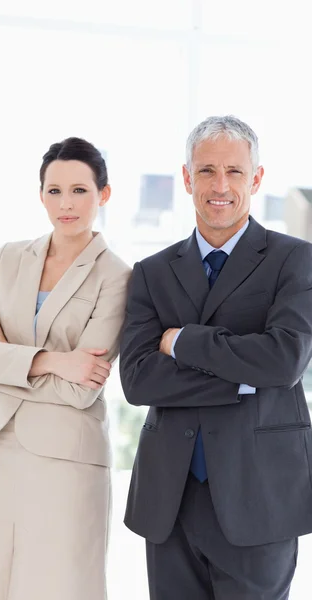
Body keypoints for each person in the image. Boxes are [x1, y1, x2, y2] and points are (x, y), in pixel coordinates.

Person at [119, 115, 312, 599]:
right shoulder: (152, 272)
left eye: (234, 172)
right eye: (206, 171)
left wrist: (182, 342)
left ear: (257, 178)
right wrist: (241, 379)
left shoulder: (295, 259)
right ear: (187, 178)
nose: (219, 185)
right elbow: (139, 380)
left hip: (260, 494)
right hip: (171, 500)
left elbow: (284, 361)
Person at [0, 137, 131, 600]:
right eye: (54, 191)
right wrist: (55, 360)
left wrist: (5, 354)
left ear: (103, 195)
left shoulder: (117, 275)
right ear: (40, 195)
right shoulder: (8, 258)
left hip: (67, 458)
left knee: (58, 585)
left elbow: (81, 389)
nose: (65, 204)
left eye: (79, 191)